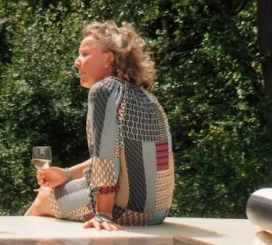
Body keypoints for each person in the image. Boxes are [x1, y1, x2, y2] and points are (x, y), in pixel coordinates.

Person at [26, 21, 174, 232]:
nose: (77, 62)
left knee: (44, 197)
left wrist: (102, 214)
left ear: (109, 59)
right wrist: (67, 175)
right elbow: (119, 154)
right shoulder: (145, 96)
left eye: (85, 54)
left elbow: (106, 159)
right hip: (157, 212)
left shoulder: (103, 90)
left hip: (124, 210)